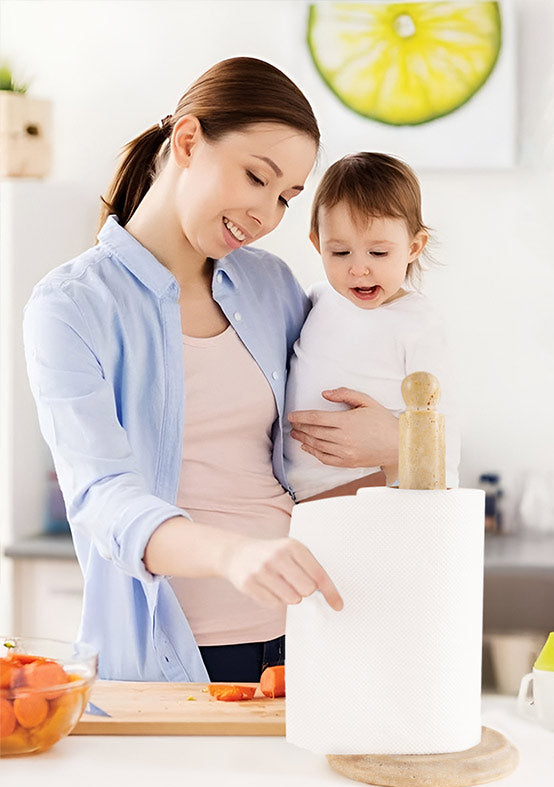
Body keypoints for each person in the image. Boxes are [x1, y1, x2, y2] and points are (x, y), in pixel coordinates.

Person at [22, 58, 398, 683]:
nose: (266, 216)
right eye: (257, 178)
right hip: (172, 654)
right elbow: (101, 498)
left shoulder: (271, 287)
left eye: (285, 198)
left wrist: (398, 450)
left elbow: (296, 475)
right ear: (190, 141)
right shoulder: (72, 306)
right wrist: (234, 554)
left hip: (302, 634)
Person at [284, 152, 460, 501]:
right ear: (318, 244)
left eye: (377, 253)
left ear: (413, 247)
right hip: (292, 495)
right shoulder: (316, 301)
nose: (358, 269)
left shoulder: (419, 325)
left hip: (373, 493)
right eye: (340, 253)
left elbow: (445, 448)